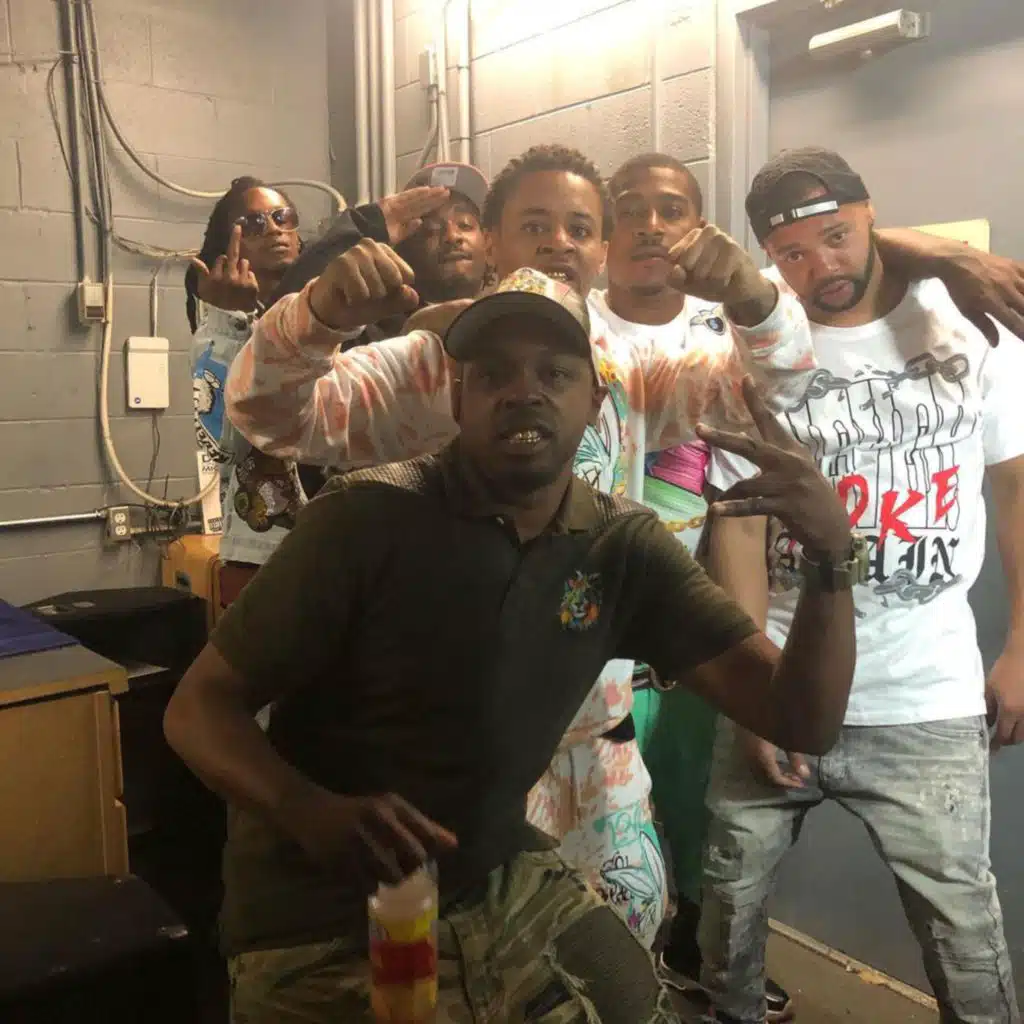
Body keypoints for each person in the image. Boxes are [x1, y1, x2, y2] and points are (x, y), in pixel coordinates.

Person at [164, 265, 862, 1024]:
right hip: (319, 913)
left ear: (595, 401)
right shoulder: (366, 518)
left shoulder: (620, 547)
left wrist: (831, 558)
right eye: (493, 373)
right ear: (456, 400)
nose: (523, 391)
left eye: (555, 373)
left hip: (495, 873)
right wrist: (307, 810)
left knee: (636, 1004)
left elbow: (801, 719)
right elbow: (197, 709)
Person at [222, 144, 824, 950]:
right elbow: (269, 414)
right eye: (534, 225)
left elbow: (771, 388)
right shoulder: (435, 366)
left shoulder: (624, 373)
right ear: (491, 241)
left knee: (621, 944)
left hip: (598, 754)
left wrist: (753, 296)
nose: (558, 243)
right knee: (462, 973)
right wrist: (316, 316)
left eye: (579, 227)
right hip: (455, 763)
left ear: (603, 248)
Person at [699, 147, 1024, 1024]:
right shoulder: (750, 344)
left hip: (926, 694)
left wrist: (1023, 646)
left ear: (871, 214)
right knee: (728, 910)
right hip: (785, 672)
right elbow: (739, 523)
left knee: (965, 938)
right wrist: (753, 695)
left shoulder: (965, 320)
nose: (822, 267)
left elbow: (1016, 489)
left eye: (837, 237)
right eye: (793, 254)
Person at [587, 151, 791, 1019]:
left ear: (700, 225)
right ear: (605, 231)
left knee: (697, 802)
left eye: (671, 208)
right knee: (596, 813)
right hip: (583, 617)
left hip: (687, 619)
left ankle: (697, 951)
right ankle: (603, 967)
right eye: (629, 207)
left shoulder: (727, 334)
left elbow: (742, 500)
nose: (649, 224)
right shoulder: (568, 320)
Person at [188, 177, 450, 582]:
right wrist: (231, 321)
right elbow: (228, 438)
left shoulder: (345, 313)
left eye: (283, 217)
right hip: (266, 554)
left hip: (353, 545)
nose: (273, 229)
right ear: (229, 246)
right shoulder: (218, 333)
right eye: (253, 223)